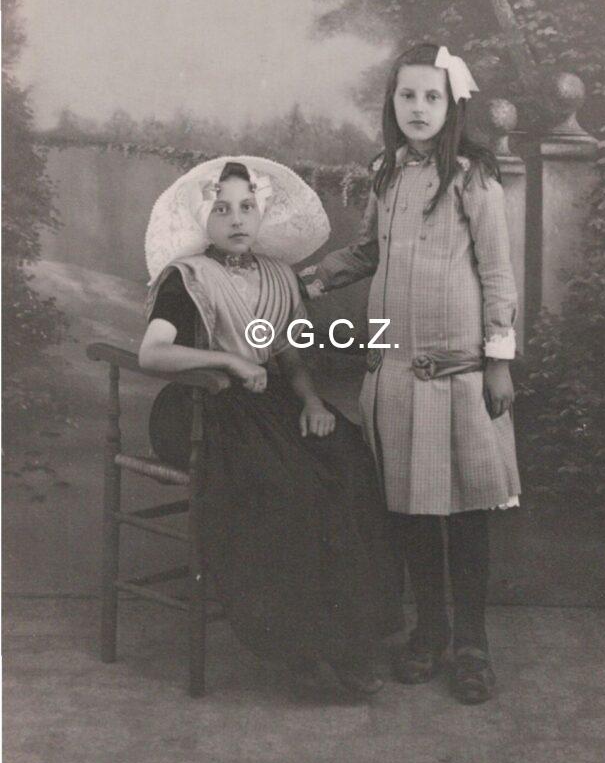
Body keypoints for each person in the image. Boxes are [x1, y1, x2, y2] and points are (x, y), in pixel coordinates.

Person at [299, 44, 521, 704]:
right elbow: (370, 250)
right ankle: (430, 630)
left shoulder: (472, 178)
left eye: (431, 96)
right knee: (412, 512)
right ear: (391, 103)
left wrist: (499, 362)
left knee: (466, 515)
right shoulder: (387, 173)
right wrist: (312, 279)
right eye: (406, 96)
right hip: (394, 374)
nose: (417, 108)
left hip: (460, 374)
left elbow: (496, 274)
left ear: (452, 105)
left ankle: (472, 644)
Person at [139, 155, 402, 698]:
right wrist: (228, 361)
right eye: (222, 209)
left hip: (268, 404)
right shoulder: (187, 278)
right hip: (203, 407)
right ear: (203, 220)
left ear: (261, 215)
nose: (237, 219)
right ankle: (299, 652)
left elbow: (289, 355)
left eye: (247, 207)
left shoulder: (279, 277)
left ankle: (349, 641)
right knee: (288, 487)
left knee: (349, 461)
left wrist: (312, 402)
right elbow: (153, 353)